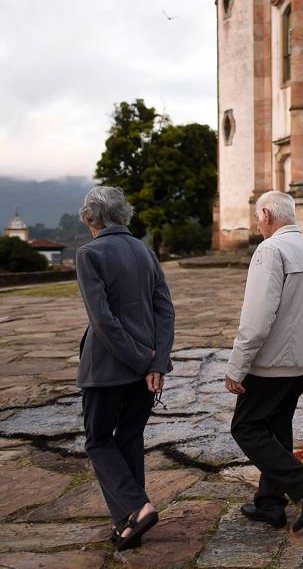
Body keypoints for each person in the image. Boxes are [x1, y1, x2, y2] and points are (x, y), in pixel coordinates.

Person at [226, 190, 303, 532]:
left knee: (244, 427)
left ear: (266, 215)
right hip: (298, 360)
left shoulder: (271, 250)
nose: (258, 224)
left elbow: (257, 318)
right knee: (276, 429)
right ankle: (270, 505)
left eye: (258, 218)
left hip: (270, 362)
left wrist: (236, 366)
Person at [75, 186, 174, 551]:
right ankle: (129, 524)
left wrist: (140, 360)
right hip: (145, 370)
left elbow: (103, 321)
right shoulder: (144, 251)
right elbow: (165, 310)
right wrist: (156, 361)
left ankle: (137, 505)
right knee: (129, 438)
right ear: (123, 215)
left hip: (107, 369)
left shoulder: (89, 254)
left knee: (99, 440)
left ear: (91, 218)